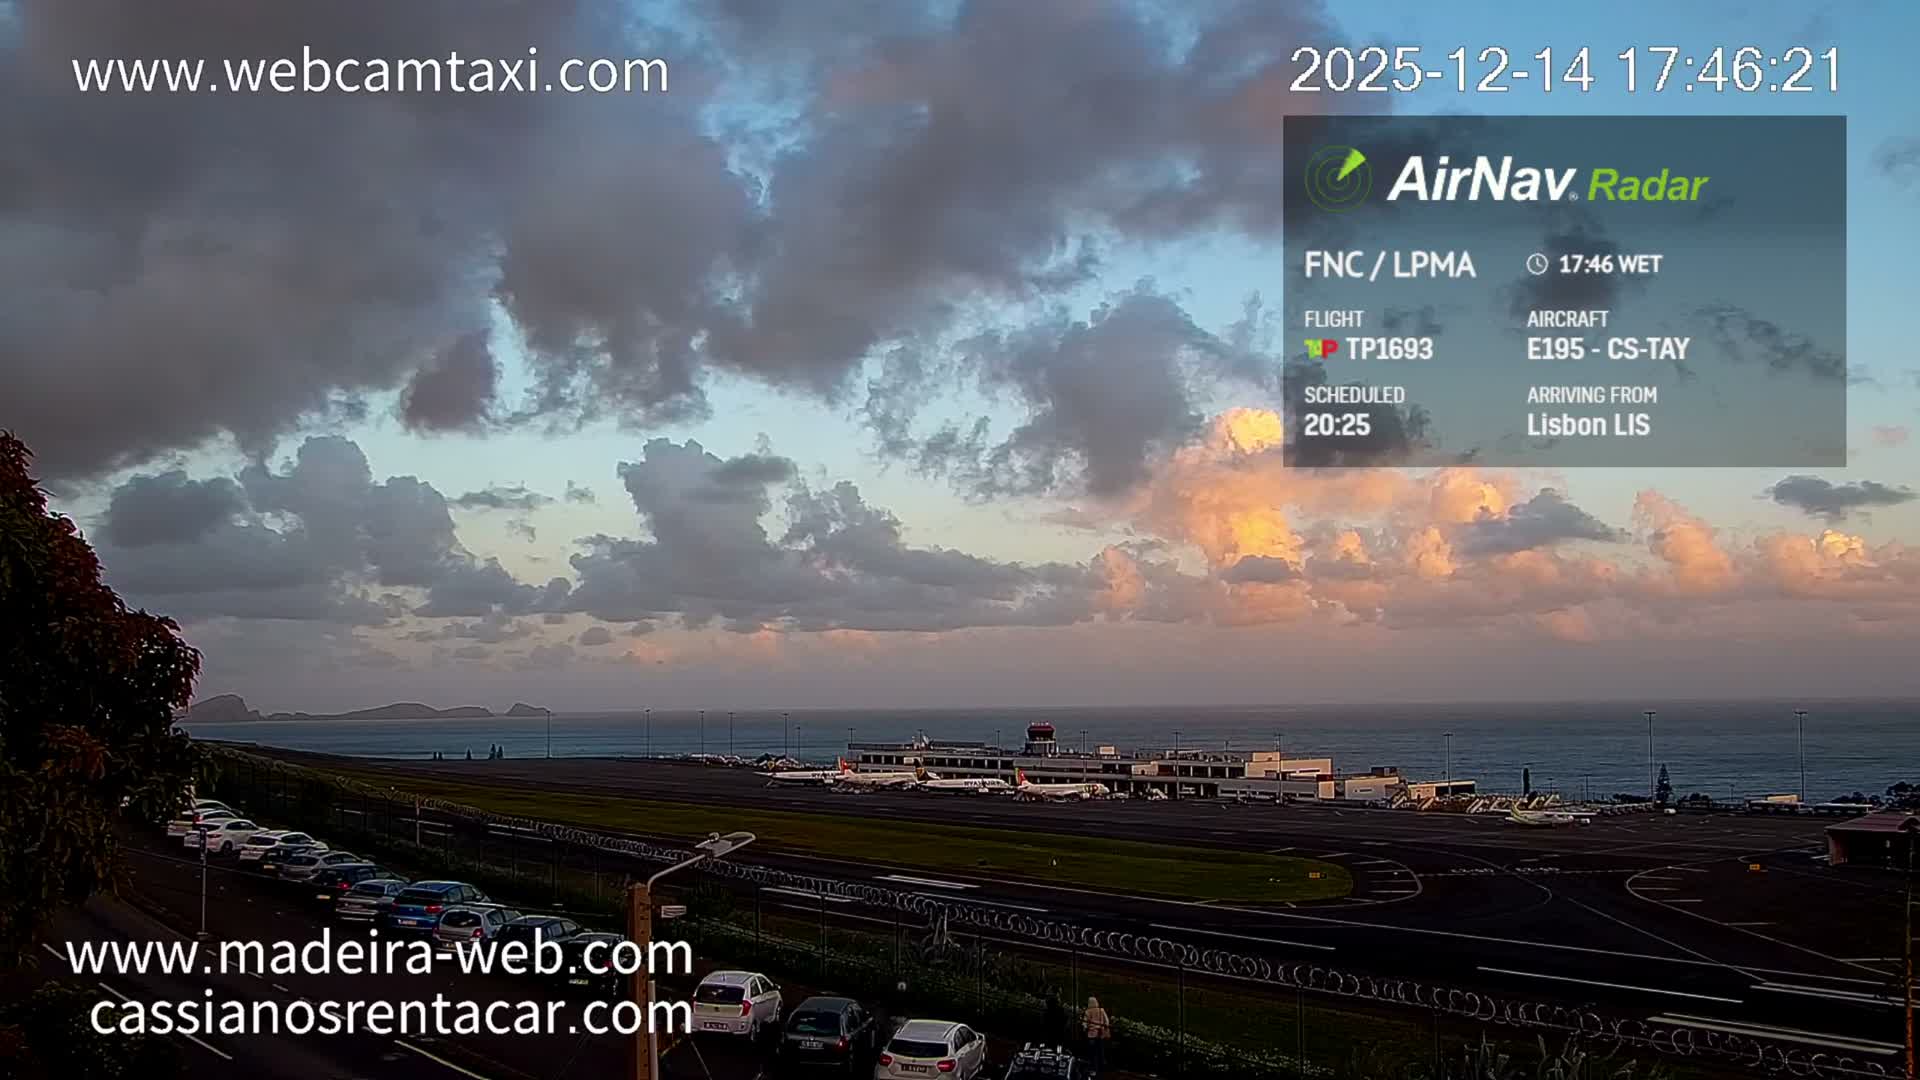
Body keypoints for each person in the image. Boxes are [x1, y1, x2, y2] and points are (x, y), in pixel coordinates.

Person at [1083, 996, 1111, 1073]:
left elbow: (1085, 1023)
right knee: (1100, 1051)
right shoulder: (1101, 1010)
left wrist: (1085, 1029)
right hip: (1100, 1033)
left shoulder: (1088, 1011)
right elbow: (1107, 1021)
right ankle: (1101, 1068)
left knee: (1092, 1052)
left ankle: (1093, 1068)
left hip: (1091, 1034)